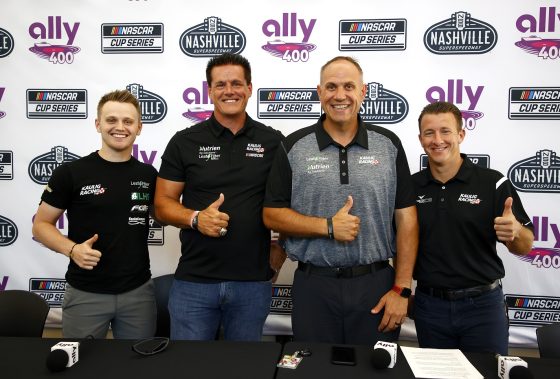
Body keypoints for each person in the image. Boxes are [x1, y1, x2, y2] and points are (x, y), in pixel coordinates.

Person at [263, 56, 418, 345]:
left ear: (364, 91)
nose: (340, 95)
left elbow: (406, 218)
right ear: (319, 92)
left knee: (374, 370)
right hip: (314, 286)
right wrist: (328, 226)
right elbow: (272, 215)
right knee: (315, 370)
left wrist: (402, 289)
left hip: (376, 284)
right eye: (331, 87)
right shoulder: (293, 146)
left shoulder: (389, 144)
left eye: (349, 86)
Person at [154, 53, 285, 341]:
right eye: (221, 84)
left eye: (237, 83)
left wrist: (280, 252)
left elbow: (291, 205)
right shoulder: (184, 142)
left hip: (252, 284)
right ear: (210, 91)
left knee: (243, 368)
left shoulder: (273, 141)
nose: (230, 91)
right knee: (190, 366)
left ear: (250, 88)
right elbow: (162, 205)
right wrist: (196, 218)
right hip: (194, 282)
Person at [32, 89, 158, 339]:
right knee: (79, 367)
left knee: (138, 366)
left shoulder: (149, 174)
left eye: (128, 121)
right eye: (111, 120)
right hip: (85, 293)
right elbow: (41, 225)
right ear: (98, 124)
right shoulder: (71, 173)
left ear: (139, 127)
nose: (119, 127)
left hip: (138, 294)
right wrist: (72, 249)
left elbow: (163, 214)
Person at [412, 101, 534, 355]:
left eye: (445, 131)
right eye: (429, 133)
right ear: (421, 139)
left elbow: (525, 244)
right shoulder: (410, 187)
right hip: (429, 307)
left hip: (483, 307)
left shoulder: (492, 182)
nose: (437, 140)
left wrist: (514, 233)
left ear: (461, 134)